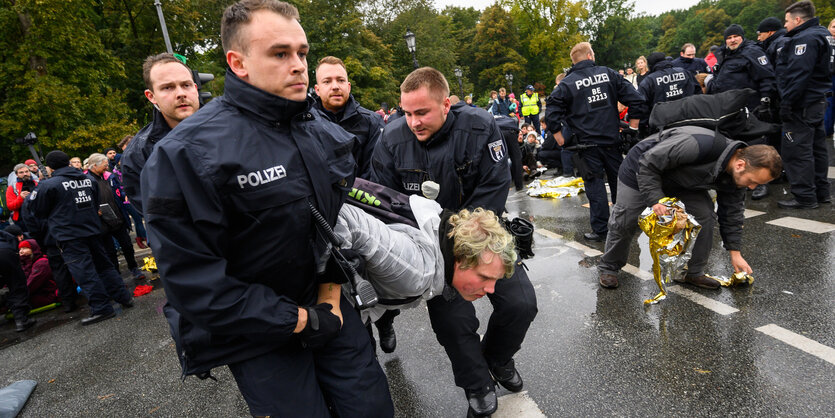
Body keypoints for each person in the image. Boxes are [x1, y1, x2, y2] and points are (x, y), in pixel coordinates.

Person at [140, 1, 393, 416]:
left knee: (371, 408)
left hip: (328, 307)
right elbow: (194, 282)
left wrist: (328, 298)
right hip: (256, 332)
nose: (298, 65)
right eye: (280, 53)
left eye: (302, 52)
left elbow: (332, 226)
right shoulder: (184, 154)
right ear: (237, 63)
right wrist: (298, 320)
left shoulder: (324, 133)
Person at [371, 66, 537, 417]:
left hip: (483, 233)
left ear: (445, 104)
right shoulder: (390, 138)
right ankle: (477, 385)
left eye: (422, 112)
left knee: (521, 303)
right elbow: (386, 202)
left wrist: (467, 246)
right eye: (407, 113)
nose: (413, 122)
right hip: (430, 247)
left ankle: (498, 358)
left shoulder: (479, 126)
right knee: (453, 322)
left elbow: (493, 187)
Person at [597, 127, 781, 289]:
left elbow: (732, 214)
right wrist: (656, 199)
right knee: (625, 220)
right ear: (741, 165)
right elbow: (648, 162)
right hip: (641, 169)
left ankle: (692, 273)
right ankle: (609, 267)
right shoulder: (697, 144)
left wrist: (735, 253)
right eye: (752, 182)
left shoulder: (737, 176)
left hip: (682, 181)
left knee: (704, 215)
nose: (752, 188)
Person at [545, 42, 644, 242]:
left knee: (595, 186)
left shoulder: (567, 83)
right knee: (620, 184)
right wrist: (632, 129)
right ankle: (625, 225)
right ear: (590, 55)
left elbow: (552, 114)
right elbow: (637, 99)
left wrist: (561, 140)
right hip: (612, 141)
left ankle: (601, 231)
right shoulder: (608, 74)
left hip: (586, 145)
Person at [30, 151, 134, 326]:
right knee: (104, 266)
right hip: (92, 230)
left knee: (85, 272)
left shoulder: (49, 185)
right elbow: (94, 202)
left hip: (70, 236)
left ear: (50, 167)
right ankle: (124, 297)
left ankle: (102, 308)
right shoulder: (88, 180)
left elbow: (37, 211)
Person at [121, 52, 200, 214]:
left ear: (196, 89)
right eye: (168, 87)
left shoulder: (231, 128)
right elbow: (157, 216)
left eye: (186, 85)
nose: (180, 93)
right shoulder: (138, 154)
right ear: (151, 96)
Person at [775, 0, 833, 209]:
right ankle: (821, 192)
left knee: (797, 151)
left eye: (787, 21)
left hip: (802, 104)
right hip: (817, 100)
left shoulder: (805, 39)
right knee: (817, 149)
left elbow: (798, 76)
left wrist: (787, 104)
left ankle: (805, 196)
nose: (785, 25)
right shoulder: (821, 34)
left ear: (798, 19)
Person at [313, 56, 384, 179]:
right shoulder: (304, 123)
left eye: (340, 80)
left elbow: (375, 173)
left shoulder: (373, 122)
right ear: (317, 90)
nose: (335, 86)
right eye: (327, 81)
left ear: (348, 86)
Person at [86, 154, 144, 280]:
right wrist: (94, 209)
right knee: (110, 251)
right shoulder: (86, 180)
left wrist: (125, 195)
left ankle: (134, 268)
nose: (107, 167)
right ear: (94, 165)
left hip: (118, 216)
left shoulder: (109, 177)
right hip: (102, 221)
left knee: (127, 246)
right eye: (104, 165)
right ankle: (116, 275)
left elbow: (119, 190)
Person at [707, 24, 776, 114]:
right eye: (729, 38)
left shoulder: (752, 52)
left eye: (736, 36)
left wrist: (765, 100)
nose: (732, 40)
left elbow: (766, 77)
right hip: (729, 106)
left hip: (749, 107)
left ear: (742, 37)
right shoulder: (723, 55)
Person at [632, 52, 701, 138]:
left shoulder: (649, 81)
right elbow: (699, 94)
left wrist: (643, 130)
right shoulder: (684, 72)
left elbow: (641, 107)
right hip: (689, 122)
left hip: (662, 128)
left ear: (650, 65)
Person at [0, 229, 36, 332]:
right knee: (17, 285)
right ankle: (21, 320)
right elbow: (11, 238)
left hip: (4, 252)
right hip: (5, 253)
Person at [18, 239, 59, 308]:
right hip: (38, 293)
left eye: (24, 248)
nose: (21, 252)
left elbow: (32, 284)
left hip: (49, 295)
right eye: (19, 249)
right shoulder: (26, 263)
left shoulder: (41, 263)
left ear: (33, 249)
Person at [5, 164, 37, 232]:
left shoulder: (37, 183)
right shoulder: (12, 188)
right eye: (21, 172)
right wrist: (21, 198)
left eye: (27, 171)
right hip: (22, 220)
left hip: (38, 217)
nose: (25, 174)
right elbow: (10, 206)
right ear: (16, 174)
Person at [824, 18, 835, 137]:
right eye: (834, 27)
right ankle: (827, 132)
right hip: (828, 78)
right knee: (828, 105)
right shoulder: (823, 42)